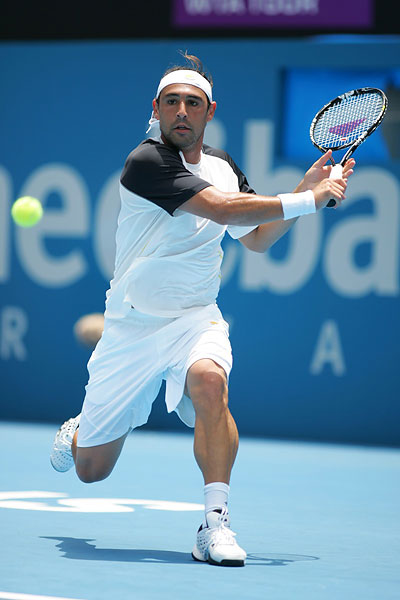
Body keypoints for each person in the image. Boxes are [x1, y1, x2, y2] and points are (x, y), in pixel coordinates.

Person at [50, 52, 354, 567]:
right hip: (131, 328)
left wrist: (305, 193)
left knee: (211, 383)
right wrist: (308, 199)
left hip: (195, 317)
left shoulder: (222, 166)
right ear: (156, 109)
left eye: (193, 103)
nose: (181, 112)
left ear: (210, 111)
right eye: (171, 102)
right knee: (91, 470)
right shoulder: (146, 161)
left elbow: (256, 238)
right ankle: (80, 431)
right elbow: (220, 209)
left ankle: (215, 525)